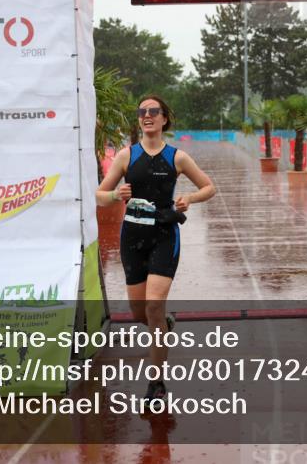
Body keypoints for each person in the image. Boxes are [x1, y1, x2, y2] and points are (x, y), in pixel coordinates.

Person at [96, 95, 216, 407]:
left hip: (164, 234)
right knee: (140, 314)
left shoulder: (177, 158)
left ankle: (157, 382)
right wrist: (114, 195)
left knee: (152, 307)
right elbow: (100, 195)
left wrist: (190, 198)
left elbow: (209, 187)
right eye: (142, 112)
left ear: (164, 119)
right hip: (132, 237)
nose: (147, 116)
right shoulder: (126, 156)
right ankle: (166, 323)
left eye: (154, 112)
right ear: (139, 120)